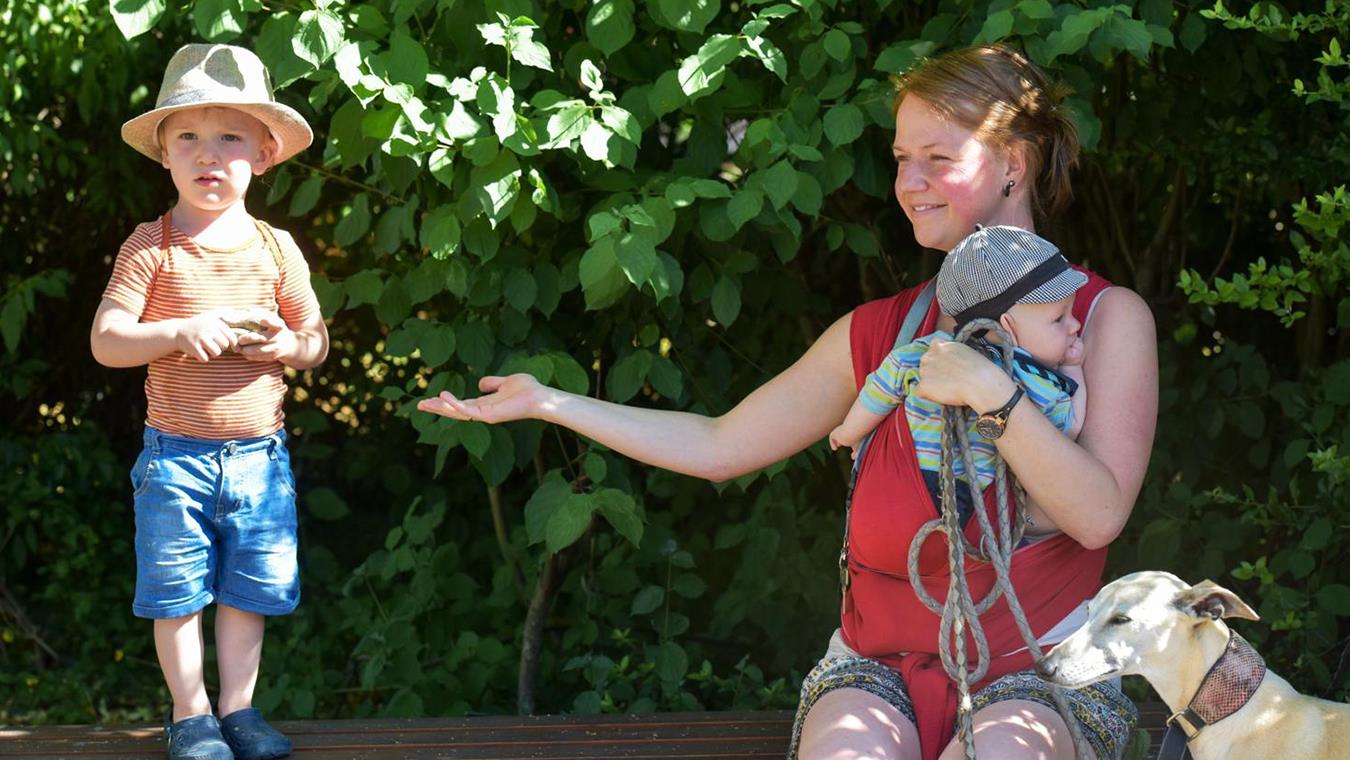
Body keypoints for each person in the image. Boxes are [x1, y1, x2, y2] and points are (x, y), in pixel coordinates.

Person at [418, 44, 1157, 760]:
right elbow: (719, 445)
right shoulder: (879, 335)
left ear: (1013, 165)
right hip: (878, 669)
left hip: (1043, 677)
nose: (909, 182)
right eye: (902, 159)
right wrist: (553, 403)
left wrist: (991, 392)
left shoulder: (1103, 320)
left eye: (938, 157)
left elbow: (1096, 516)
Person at [91, 44, 328, 760]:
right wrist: (176, 330)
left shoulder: (275, 248)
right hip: (176, 460)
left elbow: (315, 339)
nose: (209, 154)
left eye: (230, 136)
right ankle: (190, 715)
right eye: (188, 136)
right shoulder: (151, 247)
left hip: (260, 459)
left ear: (263, 152)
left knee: (248, 591)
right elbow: (107, 341)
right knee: (177, 593)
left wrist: (287, 347)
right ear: (163, 154)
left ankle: (239, 711)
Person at [830, 225, 1089, 526]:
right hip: (963, 494)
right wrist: (1074, 367)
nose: (1075, 325)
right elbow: (1069, 427)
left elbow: (881, 388)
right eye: (1059, 319)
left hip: (902, 477)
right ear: (1006, 326)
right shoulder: (1034, 380)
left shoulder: (932, 351)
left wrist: (849, 432)